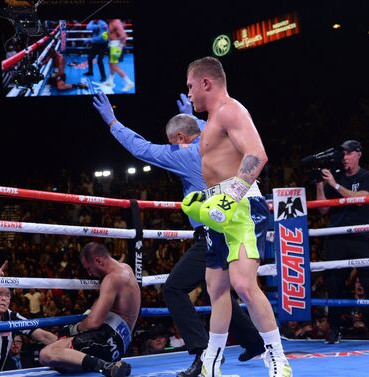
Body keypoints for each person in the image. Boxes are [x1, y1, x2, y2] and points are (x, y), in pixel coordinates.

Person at [92, 92, 266, 377]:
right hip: (241, 217)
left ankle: (202, 353)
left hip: (214, 227)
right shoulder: (217, 142)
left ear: (180, 138)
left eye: (174, 140)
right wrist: (195, 118)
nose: (173, 145)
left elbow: (143, 149)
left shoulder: (186, 153)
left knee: (174, 288)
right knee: (220, 288)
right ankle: (254, 342)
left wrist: (113, 122)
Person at [181, 56, 291, 377]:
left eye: (190, 86)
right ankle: (211, 363)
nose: (188, 93)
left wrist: (229, 198)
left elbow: (257, 155)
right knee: (216, 290)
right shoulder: (213, 119)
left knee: (243, 284)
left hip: (241, 209)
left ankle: (277, 358)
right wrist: (208, 199)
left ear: (206, 83)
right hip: (218, 210)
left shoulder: (231, 109)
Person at [315, 139, 369, 344]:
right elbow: (323, 209)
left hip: (360, 236)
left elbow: (360, 198)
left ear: (358, 154)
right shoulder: (334, 178)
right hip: (336, 237)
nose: (344, 158)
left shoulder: (367, 177)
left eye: (348, 154)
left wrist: (334, 185)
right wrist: (320, 183)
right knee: (334, 285)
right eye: (342, 154)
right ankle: (334, 329)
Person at [39, 242, 139, 377]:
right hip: (119, 344)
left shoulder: (112, 279)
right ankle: (104, 363)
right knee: (62, 361)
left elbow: (94, 322)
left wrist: (74, 328)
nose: (89, 273)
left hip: (108, 337)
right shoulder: (125, 268)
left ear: (98, 260)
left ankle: (106, 367)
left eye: (89, 268)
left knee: (46, 354)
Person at [103, 19, 134, 92]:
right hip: (112, 45)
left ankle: (129, 82)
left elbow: (123, 35)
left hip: (116, 46)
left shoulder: (116, 22)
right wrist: (107, 34)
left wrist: (119, 47)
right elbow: (113, 34)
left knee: (114, 65)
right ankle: (110, 81)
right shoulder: (110, 22)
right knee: (110, 63)